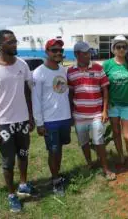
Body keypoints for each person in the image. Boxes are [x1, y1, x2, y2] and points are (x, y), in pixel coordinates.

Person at [0, 30, 35, 212]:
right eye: (11, 42)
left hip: (22, 120)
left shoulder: (22, 65)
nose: (15, 45)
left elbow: (27, 91)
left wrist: (30, 116)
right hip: (3, 122)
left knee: (23, 154)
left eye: (16, 41)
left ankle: (23, 184)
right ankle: (11, 195)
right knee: (8, 161)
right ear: (0, 45)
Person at [67, 41, 116, 180]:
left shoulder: (97, 68)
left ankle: (105, 168)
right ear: (77, 54)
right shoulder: (70, 71)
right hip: (79, 115)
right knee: (83, 142)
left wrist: (104, 110)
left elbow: (105, 90)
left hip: (96, 114)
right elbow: (70, 93)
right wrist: (71, 113)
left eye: (89, 52)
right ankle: (90, 163)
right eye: (85, 53)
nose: (89, 55)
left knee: (98, 141)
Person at [32, 38, 72, 196]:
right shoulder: (38, 73)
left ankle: (58, 175)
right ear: (47, 52)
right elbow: (35, 100)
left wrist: (70, 116)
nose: (58, 53)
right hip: (50, 120)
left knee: (59, 149)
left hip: (64, 118)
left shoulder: (62, 70)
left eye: (60, 51)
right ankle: (55, 181)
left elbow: (64, 93)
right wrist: (39, 123)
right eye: (54, 50)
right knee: (53, 151)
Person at [103, 35, 128, 174]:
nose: (121, 49)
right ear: (113, 49)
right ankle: (121, 157)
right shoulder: (107, 65)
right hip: (113, 105)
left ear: (127, 49)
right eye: (118, 47)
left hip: (127, 105)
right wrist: (104, 107)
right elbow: (103, 86)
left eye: (124, 47)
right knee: (116, 133)